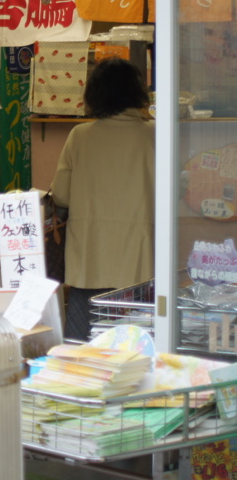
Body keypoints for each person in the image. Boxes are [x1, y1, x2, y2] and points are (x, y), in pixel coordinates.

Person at [50, 57, 155, 341]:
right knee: (139, 343)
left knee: (85, 345)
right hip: (140, 260)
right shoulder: (155, 135)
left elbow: (61, 194)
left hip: (90, 257)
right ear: (137, 93)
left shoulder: (80, 136)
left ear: (95, 94)